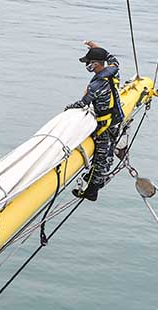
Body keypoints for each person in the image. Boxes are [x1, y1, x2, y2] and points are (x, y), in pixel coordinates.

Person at [64, 41, 124, 201]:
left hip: (104, 126)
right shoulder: (114, 71)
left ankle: (91, 191)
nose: (87, 66)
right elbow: (112, 58)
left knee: (100, 158)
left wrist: (67, 109)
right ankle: (97, 177)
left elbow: (82, 104)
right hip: (116, 120)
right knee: (109, 152)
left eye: (89, 63)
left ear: (95, 64)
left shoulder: (95, 86)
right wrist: (96, 47)